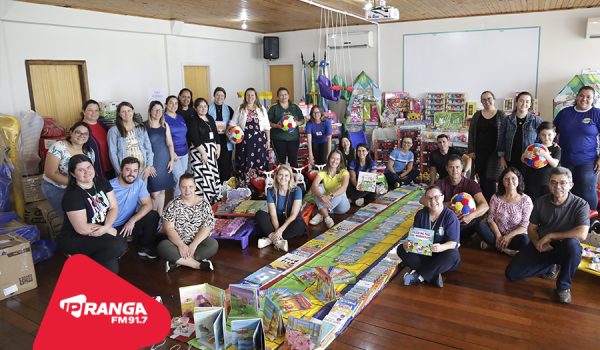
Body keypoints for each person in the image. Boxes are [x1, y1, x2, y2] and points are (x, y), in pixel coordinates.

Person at [506, 167, 590, 304]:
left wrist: (551, 236)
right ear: (549, 184)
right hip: (542, 245)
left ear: (571, 185)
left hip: (564, 247)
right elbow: (531, 228)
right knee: (511, 274)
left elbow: (582, 234)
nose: (558, 186)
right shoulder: (540, 201)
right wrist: (537, 242)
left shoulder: (581, 205)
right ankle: (550, 266)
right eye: (553, 182)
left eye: (563, 183)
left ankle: (563, 287)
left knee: (573, 246)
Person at [55, 154, 126, 274]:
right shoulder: (73, 195)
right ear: (73, 174)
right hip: (77, 237)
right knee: (117, 245)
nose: (86, 172)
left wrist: (107, 227)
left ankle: (87, 268)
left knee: (114, 252)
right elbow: (82, 228)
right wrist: (107, 230)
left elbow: (113, 207)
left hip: (99, 231)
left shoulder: (101, 182)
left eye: (89, 167)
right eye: (81, 170)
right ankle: (84, 265)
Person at [397, 185, 460, 288]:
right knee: (401, 249)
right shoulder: (421, 214)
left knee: (453, 255)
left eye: (436, 197)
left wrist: (441, 247)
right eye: (429, 198)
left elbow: (453, 243)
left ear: (443, 197)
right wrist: (408, 244)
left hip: (441, 255)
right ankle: (433, 275)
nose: (433, 201)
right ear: (425, 200)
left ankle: (419, 277)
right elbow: (414, 237)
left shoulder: (450, 217)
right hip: (424, 254)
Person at [159, 173, 219, 272]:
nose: (187, 191)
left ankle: (178, 262)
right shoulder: (173, 204)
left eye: (190, 187)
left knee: (213, 244)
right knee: (162, 246)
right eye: (184, 187)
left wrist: (194, 245)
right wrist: (181, 245)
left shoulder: (204, 203)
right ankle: (197, 265)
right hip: (177, 244)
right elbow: (168, 228)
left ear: (195, 187)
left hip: (198, 243)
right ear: (179, 188)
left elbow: (207, 227)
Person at [554, 85, 600, 210]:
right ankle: (569, 218)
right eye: (581, 95)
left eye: (588, 97)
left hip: (588, 161)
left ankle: (591, 221)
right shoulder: (564, 113)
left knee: (587, 190)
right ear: (577, 96)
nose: (584, 99)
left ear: (593, 99)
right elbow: (552, 131)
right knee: (565, 190)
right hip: (565, 160)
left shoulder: (596, 113)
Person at [110, 157, 161, 259]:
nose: (131, 174)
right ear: (121, 170)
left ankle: (145, 247)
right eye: (128, 170)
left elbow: (148, 204)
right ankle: (125, 240)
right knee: (119, 250)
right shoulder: (109, 186)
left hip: (129, 222)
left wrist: (132, 221)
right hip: (113, 226)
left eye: (135, 171)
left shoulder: (138, 183)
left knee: (153, 215)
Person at [42, 122, 95, 219]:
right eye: (78, 132)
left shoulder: (90, 152)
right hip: (56, 187)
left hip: (78, 187)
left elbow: (89, 172)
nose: (81, 136)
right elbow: (50, 173)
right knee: (67, 217)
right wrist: (76, 183)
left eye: (85, 134)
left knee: (82, 215)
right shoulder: (59, 147)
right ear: (71, 133)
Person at [476, 167, 533, 255]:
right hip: (496, 234)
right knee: (479, 226)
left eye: (513, 178)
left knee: (524, 240)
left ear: (518, 180)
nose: (510, 181)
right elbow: (490, 219)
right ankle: (506, 250)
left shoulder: (526, 200)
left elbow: (525, 225)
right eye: (506, 179)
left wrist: (508, 237)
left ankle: (493, 245)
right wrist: (498, 235)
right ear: (502, 182)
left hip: (514, 236)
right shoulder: (495, 198)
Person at [434, 154, 489, 238]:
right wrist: (447, 204)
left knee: (479, 224)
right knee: (425, 212)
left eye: (457, 167)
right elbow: (424, 201)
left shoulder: (471, 184)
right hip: (447, 221)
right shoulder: (440, 183)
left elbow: (485, 206)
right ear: (446, 168)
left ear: (462, 167)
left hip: (465, 223)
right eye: (451, 167)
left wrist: (470, 216)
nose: (454, 170)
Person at [255, 165, 306, 252]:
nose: (283, 178)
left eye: (286, 175)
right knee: (260, 214)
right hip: (277, 221)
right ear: (276, 176)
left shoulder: (297, 190)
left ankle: (269, 239)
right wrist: (277, 229)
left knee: (300, 225)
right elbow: (273, 215)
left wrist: (280, 231)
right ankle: (278, 241)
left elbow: (294, 215)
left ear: (290, 177)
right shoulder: (271, 191)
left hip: (291, 222)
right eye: (280, 175)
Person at [468, 91, 506, 201]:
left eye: (489, 98)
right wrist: (471, 150)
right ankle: (483, 206)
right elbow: (471, 133)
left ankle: (492, 207)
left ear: (493, 99)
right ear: (481, 102)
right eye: (483, 100)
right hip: (479, 154)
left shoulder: (501, 115)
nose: (487, 101)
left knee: (492, 181)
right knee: (482, 180)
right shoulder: (477, 115)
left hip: (495, 155)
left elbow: (504, 135)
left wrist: (502, 154)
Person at [229, 87, 271, 186]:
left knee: (259, 161)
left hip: (259, 140)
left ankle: (260, 187)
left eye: (252, 95)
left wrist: (268, 140)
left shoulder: (261, 109)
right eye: (248, 95)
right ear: (245, 97)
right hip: (244, 141)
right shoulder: (240, 108)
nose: (250, 97)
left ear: (255, 96)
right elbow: (232, 123)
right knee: (244, 162)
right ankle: (245, 186)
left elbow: (267, 126)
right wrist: (231, 133)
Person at [107, 102, 155, 180]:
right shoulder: (114, 130)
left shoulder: (141, 128)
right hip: (125, 172)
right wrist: (120, 172)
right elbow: (112, 153)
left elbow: (149, 149)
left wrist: (149, 166)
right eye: (123, 111)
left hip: (143, 169)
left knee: (143, 192)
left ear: (133, 111)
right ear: (119, 114)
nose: (127, 113)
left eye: (129, 110)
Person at [187, 98, 222, 204]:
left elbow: (216, 134)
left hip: (211, 152)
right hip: (199, 152)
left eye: (205, 106)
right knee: (201, 177)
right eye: (200, 106)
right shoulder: (193, 120)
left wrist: (218, 148)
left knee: (211, 176)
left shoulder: (210, 118)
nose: (203, 108)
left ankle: (211, 201)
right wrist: (203, 153)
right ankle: (201, 202)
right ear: (196, 108)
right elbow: (194, 138)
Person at [499, 91, 542, 174]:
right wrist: (502, 158)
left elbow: (542, 139)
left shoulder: (537, 121)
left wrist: (553, 144)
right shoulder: (507, 120)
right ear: (516, 102)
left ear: (530, 104)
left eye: (527, 102)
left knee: (526, 185)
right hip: (510, 160)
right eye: (521, 101)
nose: (524, 103)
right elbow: (501, 140)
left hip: (530, 160)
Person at [145, 101, 176, 215]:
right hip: (152, 162)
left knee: (162, 191)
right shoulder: (144, 126)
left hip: (164, 160)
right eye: (155, 109)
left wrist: (172, 160)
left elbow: (170, 144)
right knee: (154, 193)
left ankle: (160, 216)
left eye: (160, 110)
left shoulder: (165, 125)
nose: (158, 112)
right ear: (150, 111)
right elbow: (142, 147)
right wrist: (148, 165)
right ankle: (153, 218)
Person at [520, 121, 561, 202]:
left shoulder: (556, 148)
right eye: (543, 135)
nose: (546, 137)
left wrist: (546, 155)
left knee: (546, 203)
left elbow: (554, 164)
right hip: (531, 180)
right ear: (539, 135)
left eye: (549, 135)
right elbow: (522, 160)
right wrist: (525, 156)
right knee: (532, 202)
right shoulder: (534, 147)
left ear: (554, 135)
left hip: (546, 182)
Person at [309, 150, 350, 229]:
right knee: (317, 189)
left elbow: (344, 187)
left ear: (340, 161)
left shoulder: (344, 172)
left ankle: (321, 214)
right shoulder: (323, 172)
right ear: (329, 159)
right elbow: (314, 186)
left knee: (340, 188)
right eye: (333, 158)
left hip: (342, 207)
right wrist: (321, 196)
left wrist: (331, 196)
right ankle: (327, 217)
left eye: (337, 159)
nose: (335, 161)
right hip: (329, 206)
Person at [267, 87, 304, 167]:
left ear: (288, 95)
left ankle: (294, 178)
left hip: (293, 139)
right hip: (278, 139)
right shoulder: (274, 108)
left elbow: (302, 120)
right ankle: (280, 178)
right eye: (281, 95)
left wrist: (297, 123)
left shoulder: (295, 107)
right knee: (281, 161)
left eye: (285, 94)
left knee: (293, 161)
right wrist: (276, 125)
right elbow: (267, 123)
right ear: (277, 97)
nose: (283, 97)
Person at [164, 95, 189, 196]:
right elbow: (163, 139)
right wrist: (172, 153)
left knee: (178, 181)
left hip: (185, 152)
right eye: (171, 103)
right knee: (180, 179)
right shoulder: (163, 118)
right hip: (173, 153)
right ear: (166, 104)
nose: (174, 105)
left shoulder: (180, 117)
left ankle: (179, 202)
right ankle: (177, 206)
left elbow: (184, 135)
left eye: (176, 103)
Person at [209, 87, 235, 183]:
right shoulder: (207, 108)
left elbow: (234, 123)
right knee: (214, 165)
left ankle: (225, 188)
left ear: (224, 97)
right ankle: (215, 188)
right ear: (214, 96)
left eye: (222, 95)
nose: (219, 97)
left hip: (225, 140)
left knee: (225, 166)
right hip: (212, 140)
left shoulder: (229, 109)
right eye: (217, 95)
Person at [81, 99, 112, 178]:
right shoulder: (79, 129)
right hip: (94, 171)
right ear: (84, 112)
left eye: (96, 110)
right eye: (90, 110)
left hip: (110, 168)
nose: (94, 113)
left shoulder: (103, 125)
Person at [347, 143, 377, 207]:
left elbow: (372, 179)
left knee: (369, 187)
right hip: (356, 185)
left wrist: (363, 187)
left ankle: (350, 200)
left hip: (367, 187)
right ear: (356, 152)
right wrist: (358, 187)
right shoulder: (353, 163)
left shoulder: (372, 163)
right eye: (359, 151)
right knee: (348, 183)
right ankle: (358, 198)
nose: (361, 153)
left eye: (363, 151)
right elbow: (352, 178)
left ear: (367, 152)